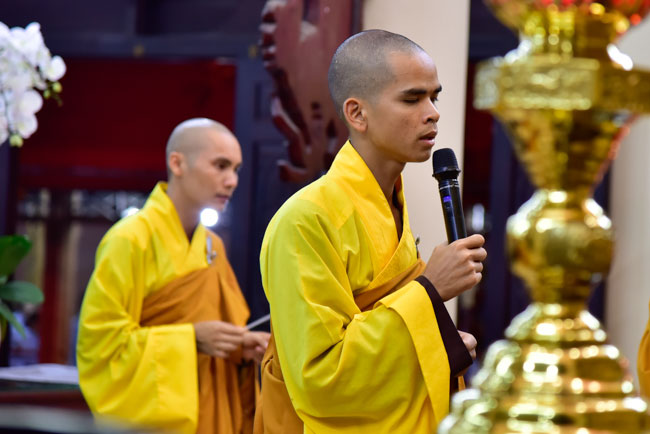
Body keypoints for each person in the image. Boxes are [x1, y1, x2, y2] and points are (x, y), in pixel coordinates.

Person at [254, 30, 486, 433]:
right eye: (412, 99)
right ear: (357, 113)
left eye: (435, 97)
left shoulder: (390, 205)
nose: (432, 113)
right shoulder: (306, 220)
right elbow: (320, 377)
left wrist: (441, 345)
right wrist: (430, 289)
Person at [77, 118, 270, 434]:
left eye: (236, 169)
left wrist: (238, 346)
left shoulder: (213, 246)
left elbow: (220, 329)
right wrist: (190, 339)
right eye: (220, 166)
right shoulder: (130, 239)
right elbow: (103, 350)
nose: (232, 181)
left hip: (211, 411)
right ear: (177, 163)